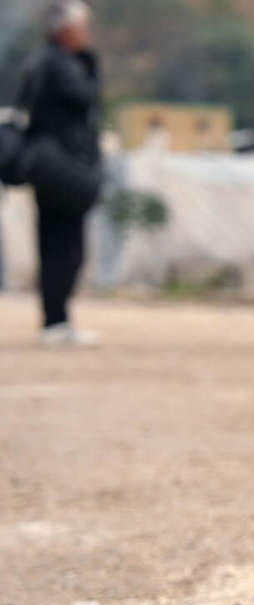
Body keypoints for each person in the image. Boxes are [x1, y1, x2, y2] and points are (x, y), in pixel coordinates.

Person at [21, 0, 102, 347]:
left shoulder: (39, 61)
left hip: (47, 164)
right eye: (83, 28)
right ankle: (55, 322)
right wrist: (90, 64)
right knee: (64, 246)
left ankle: (57, 320)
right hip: (61, 167)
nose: (87, 35)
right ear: (67, 30)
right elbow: (87, 97)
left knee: (56, 243)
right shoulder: (61, 64)